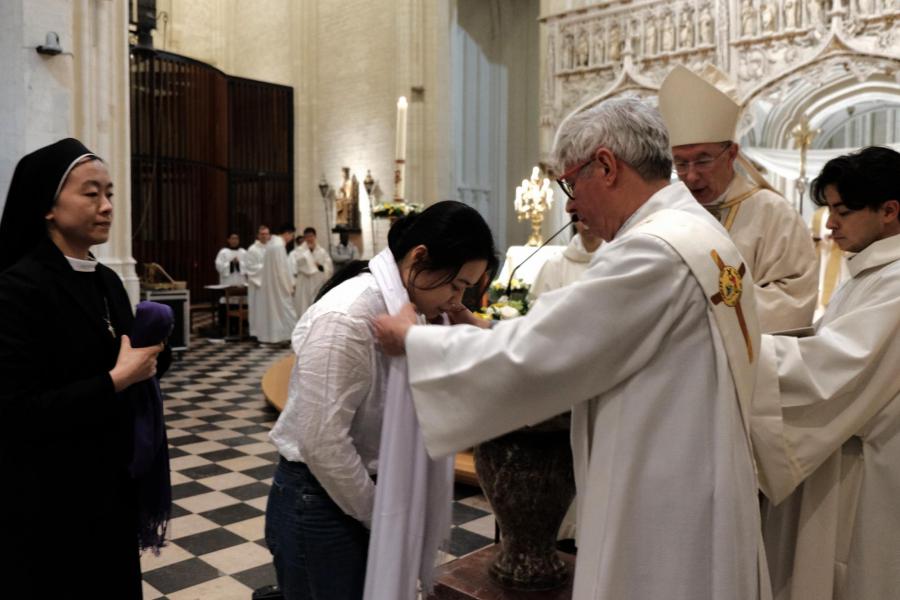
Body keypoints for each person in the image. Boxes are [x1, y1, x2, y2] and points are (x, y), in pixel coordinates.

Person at [374, 98, 770, 600]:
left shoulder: (654, 248)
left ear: (605, 166)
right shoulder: (699, 231)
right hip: (692, 466)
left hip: (660, 484)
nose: (568, 204)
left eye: (570, 182)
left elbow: (542, 353)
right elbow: (581, 334)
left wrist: (414, 340)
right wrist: (479, 331)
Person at [266, 201, 497, 600]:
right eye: (456, 285)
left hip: (364, 491)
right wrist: (384, 516)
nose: (457, 300)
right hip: (323, 500)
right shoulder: (349, 315)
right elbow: (322, 441)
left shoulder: (417, 309)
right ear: (419, 257)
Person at [0, 139, 168, 598]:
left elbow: (124, 353)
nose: (107, 206)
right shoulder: (17, 288)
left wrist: (152, 353)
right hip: (47, 497)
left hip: (108, 485)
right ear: (48, 207)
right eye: (90, 194)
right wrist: (116, 380)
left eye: (109, 192)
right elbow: (16, 412)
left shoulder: (106, 279)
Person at [751, 147, 900, 600]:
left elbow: (837, 366)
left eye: (843, 211)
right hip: (843, 456)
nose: (830, 224)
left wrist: (739, 355)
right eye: (829, 210)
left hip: (870, 469)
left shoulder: (895, 282)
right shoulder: (870, 271)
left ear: (890, 211)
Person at [659, 65, 818, 333]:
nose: (691, 176)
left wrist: (706, 313)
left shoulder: (772, 212)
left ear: (731, 154)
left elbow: (793, 298)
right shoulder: (669, 213)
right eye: (680, 164)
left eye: (703, 160)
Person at [255, 224, 298, 344]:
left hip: (271, 285)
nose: (291, 238)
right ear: (287, 233)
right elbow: (282, 270)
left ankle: (275, 337)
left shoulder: (272, 244)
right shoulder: (279, 246)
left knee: (274, 312)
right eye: (292, 235)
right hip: (279, 286)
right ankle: (289, 336)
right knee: (287, 309)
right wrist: (289, 285)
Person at [289, 227, 334, 318]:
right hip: (303, 283)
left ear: (315, 236)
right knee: (303, 306)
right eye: (307, 236)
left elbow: (328, 267)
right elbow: (295, 265)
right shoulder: (298, 251)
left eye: (311, 236)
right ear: (304, 238)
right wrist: (308, 253)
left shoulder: (322, 251)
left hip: (317, 282)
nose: (309, 238)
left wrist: (320, 267)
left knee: (316, 305)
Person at [244, 225, 270, 340]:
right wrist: (266, 267)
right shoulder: (252, 249)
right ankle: (256, 333)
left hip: (269, 286)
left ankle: (268, 332)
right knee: (257, 310)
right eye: (262, 234)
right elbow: (250, 267)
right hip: (257, 285)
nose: (264, 236)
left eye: (266, 234)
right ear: (258, 235)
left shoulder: (271, 248)